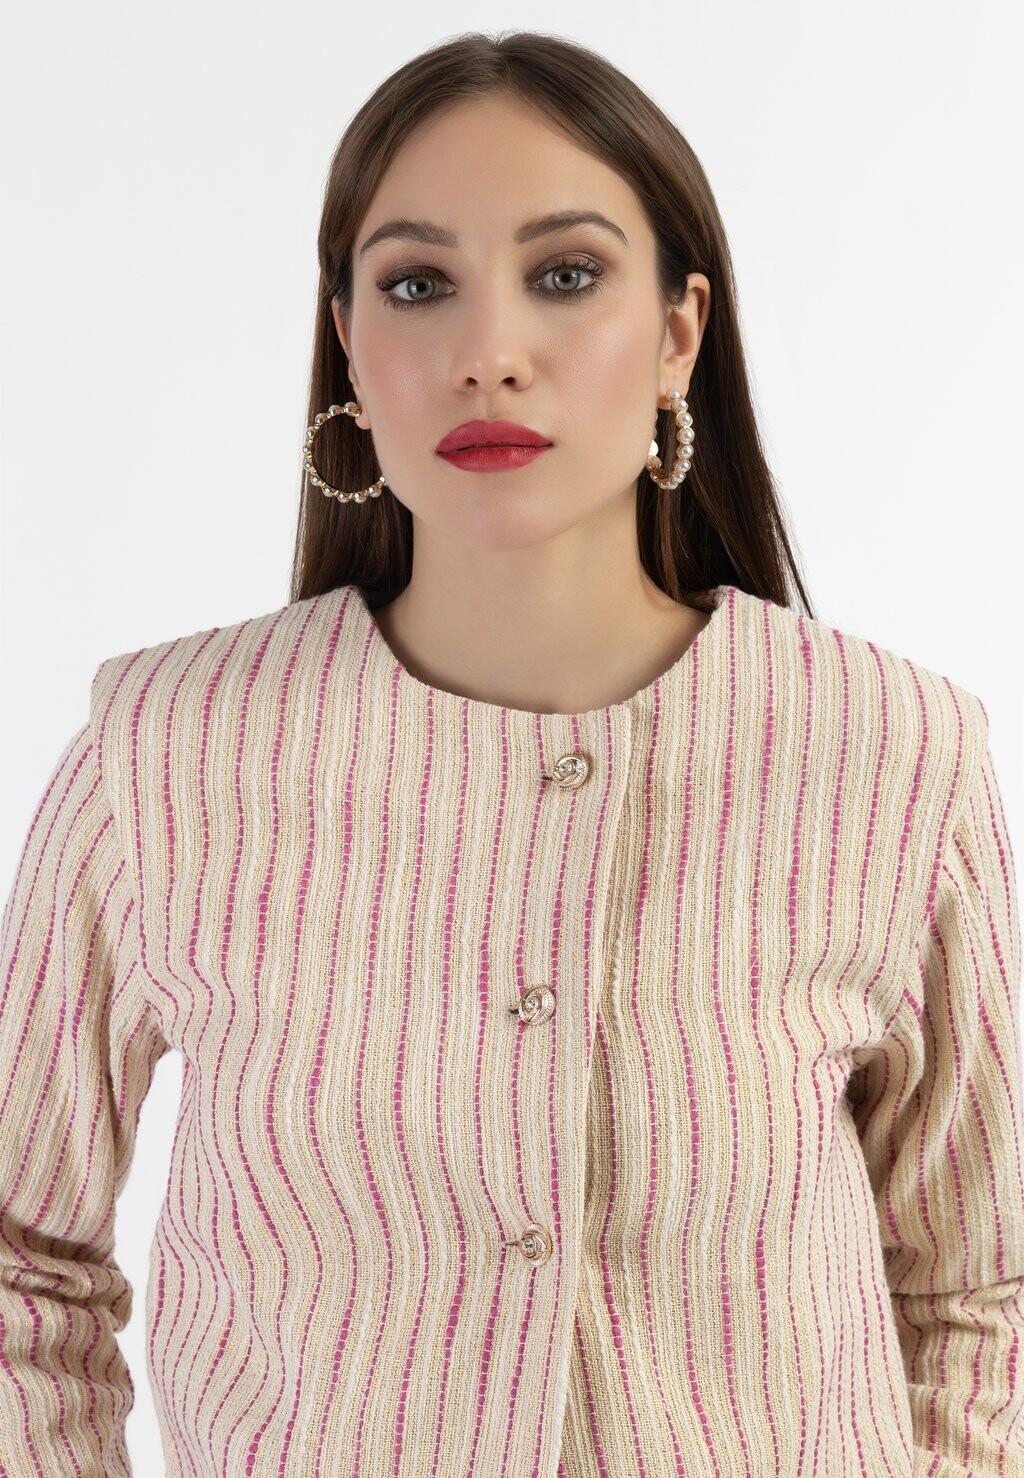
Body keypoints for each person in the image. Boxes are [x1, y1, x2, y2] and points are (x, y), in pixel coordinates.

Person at [2, 30, 1021, 1478]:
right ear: (348, 344)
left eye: (567, 273)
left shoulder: (892, 757)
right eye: (418, 284)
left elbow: (983, 1295)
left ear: (678, 334)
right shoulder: (166, 758)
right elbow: (22, 1265)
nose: (488, 352)